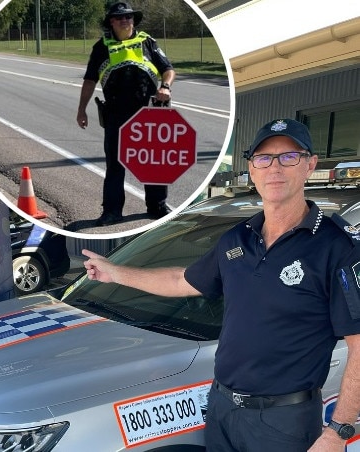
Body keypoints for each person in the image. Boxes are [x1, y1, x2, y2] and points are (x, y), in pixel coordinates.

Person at [82, 118, 360, 451]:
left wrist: (338, 431)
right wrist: (115, 273)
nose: (275, 167)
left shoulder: (336, 248)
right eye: (264, 158)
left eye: (289, 157)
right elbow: (181, 280)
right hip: (222, 409)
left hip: (285, 421)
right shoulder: (237, 239)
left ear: (309, 165)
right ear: (252, 169)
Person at [76, 2, 176, 226]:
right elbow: (90, 80)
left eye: (129, 17)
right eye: (120, 17)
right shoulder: (102, 46)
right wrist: (81, 109)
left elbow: (168, 69)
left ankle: (157, 205)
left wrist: (165, 86)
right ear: (111, 21)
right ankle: (111, 211)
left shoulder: (147, 42)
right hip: (116, 113)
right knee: (115, 164)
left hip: (149, 112)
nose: (125, 21)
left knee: (154, 161)